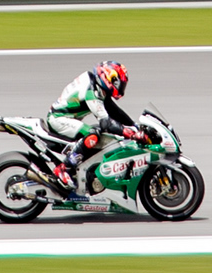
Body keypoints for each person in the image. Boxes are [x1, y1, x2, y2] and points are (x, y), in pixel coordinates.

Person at [38, 59, 149, 201]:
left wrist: (134, 125)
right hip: (58, 119)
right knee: (93, 134)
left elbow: (114, 111)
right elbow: (106, 123)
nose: (120, 87)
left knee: (101, 135)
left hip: (67, 118)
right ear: (109, 78)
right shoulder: (91, 91)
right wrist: (130, 133)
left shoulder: (96, 86)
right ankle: (63, 169)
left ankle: (83, 173)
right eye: (119, 83)